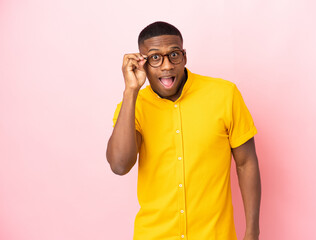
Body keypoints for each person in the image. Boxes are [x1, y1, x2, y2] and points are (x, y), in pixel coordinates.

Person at [106, 21, 261, 240]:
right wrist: (131, 91)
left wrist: (252, 231)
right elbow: (120, 165)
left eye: (174, 55)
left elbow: (246, 163)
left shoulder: (225, 95)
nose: (167, 65)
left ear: (184, 57)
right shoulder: (133, 107)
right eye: (155, 58)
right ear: (142, 63)